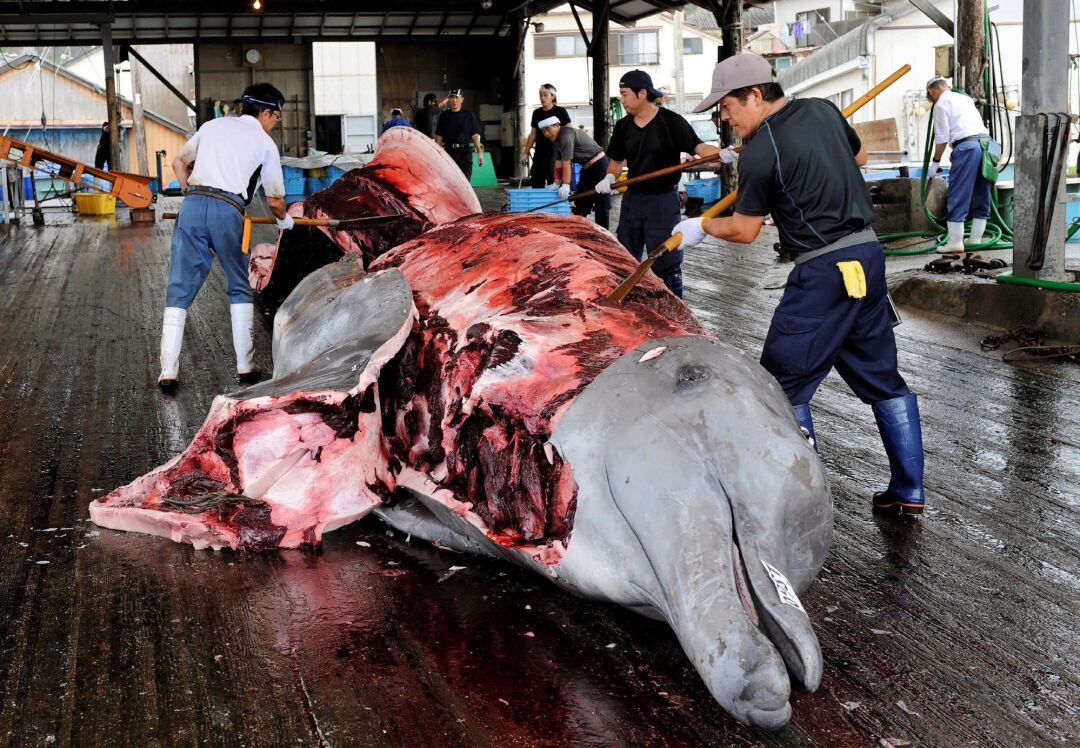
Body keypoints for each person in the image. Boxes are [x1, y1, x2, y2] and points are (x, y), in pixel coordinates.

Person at [671, 53, 925, 516]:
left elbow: (745, 231)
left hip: (823, 272)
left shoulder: (763, 151)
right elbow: (860, 156)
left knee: (782, 385)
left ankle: (803, 504)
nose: (724, 118)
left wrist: (700, 228)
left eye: (727, 107)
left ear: (754, 95)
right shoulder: (822, 109)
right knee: (882, 378)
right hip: (866, 258)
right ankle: (908, 491)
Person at [160, 82, 294, 391]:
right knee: (238, 282)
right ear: (265, 112)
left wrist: (189, 192)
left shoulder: (211, 126)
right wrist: (285, 223)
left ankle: (168, 372)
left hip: (192, 206)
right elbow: (275, 200)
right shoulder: (264, 143)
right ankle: (246, 368)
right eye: (276, 116)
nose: (275, 123)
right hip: (228, 210)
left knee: (179, 287)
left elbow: (179, 161)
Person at [595, 70, 719, 298]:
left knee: (665, 262)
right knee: (625, 258)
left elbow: (700, 149)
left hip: (663, 202)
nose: (622, 99)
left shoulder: (671, 122)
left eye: (624, 94)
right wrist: (610, 177)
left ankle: (674, 312)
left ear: (642, 93)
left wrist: (721, 155)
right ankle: (630, 309)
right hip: (633, 201)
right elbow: (615, 162)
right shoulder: (623, 127)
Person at [925, 77, 996, 254]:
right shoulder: (965, 99)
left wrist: (935, 163)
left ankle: (955, 242)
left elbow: (941, 139)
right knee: (983, 191)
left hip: (968, 147)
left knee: (958, 192)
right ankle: (975, 239)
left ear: (931, 91)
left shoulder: (941, 104)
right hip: (990, 144)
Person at [539, 115, 610, 229]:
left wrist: (566, 184)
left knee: (601, 202)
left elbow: (567, 162)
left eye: (548, 129)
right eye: (543, 131)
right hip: (587, 167)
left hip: (600, 164)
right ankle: (579, 230)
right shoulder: (555, 139)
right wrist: (556, 183)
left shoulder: (565, 135)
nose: (546, 134)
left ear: (557, 126)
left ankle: (604, 233)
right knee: (580, 199)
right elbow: (559, 161)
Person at [522, 84, 571, 188]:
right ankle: (538, 203)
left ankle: (554, 204)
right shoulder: (536, 113)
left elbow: (569, 130)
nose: (542, 98)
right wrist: (525, 152)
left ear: (553, 96)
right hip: (539, 151)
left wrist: (567, 150)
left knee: (553, 180)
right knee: (536, 179)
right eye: (540, 95)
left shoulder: (560, 111)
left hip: (556, 152)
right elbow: (533, 134)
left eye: (545, 95)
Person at [434, 88, 484, 180]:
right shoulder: (444, 116)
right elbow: (439, 136)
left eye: (456, 97)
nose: (454, 100)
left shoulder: (468, 115)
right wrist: (438, 154)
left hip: (465, 153)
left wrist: (480, 152)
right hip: (449, 153)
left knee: (465, 182)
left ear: (462, 99)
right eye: (452, 98)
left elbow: (475, 135)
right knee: (450, 182)